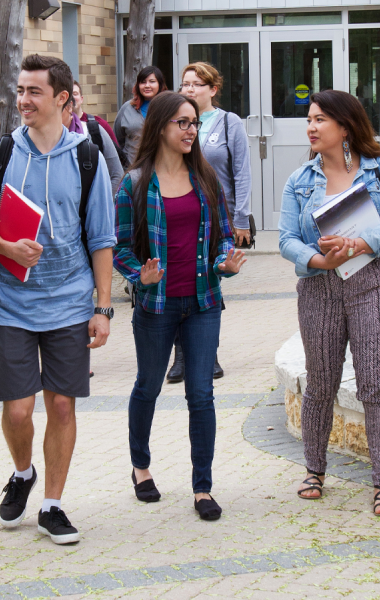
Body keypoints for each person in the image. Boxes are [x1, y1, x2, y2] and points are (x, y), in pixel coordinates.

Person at [0, 54, 116, 545]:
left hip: (70, 302)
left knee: (63, 407)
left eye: (33, 92)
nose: (22, 101)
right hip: (10, 300)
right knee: (19, 411)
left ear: (62, 98)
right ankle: (22, 472)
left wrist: (102, 307)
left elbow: (102, 239)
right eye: (20, 91)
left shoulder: (86, 156)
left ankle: (52, 504)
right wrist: (6, 247)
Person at [113, 92, 246, 521]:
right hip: (156, 305)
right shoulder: (134, 184)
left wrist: (226, 260)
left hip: (204, 300)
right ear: (161, 128)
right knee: (148, 386)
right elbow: (118, 248)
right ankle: (141, 467)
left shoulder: (206, 180)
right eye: (182, 123)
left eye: (194, 123)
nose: (191, 130)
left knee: (201, 393)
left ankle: (202, 487)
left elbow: (224, 234)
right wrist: (139, 275)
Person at [278, 90, 380, 517]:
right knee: (320, 386)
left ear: (345, 126)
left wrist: (358, 243)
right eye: (310, 120)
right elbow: (286, 241)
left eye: (320, 120)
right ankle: (315, 470)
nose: (312, 128)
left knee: (375, 384)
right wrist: (319, 259)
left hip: (372, 283)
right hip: (320, 288)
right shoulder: (299, 180)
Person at [165, 61, 254, 384]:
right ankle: (180, 356)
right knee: (178, 280)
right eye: (184, 84)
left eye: (195, 84)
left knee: (208, 282)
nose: (188, 89)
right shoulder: (174, 123)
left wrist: (241, 219)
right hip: (180, 214)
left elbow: (242, 172)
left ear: (212, 90)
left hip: (217, 219)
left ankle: (207, 352)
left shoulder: (228, 123)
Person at [61, 95, 123, 194]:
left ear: (69, 106)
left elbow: (116, 174)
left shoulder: (92, 131)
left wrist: (103, 205)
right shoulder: (40, 140)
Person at [114, 66, 168, 165]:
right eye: (143, 82)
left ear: (160, 84)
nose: (147, 85)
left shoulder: (169, 108)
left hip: (162, 168)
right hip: (133, 169)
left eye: (152, 81)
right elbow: (118, 139)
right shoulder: (127, 108)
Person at [72, 81, 119, 148]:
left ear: (81, 99)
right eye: (69, 94)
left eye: (75, 94)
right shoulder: (59, 127)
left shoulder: (100, 124)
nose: (71, 98)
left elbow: (115, 154)